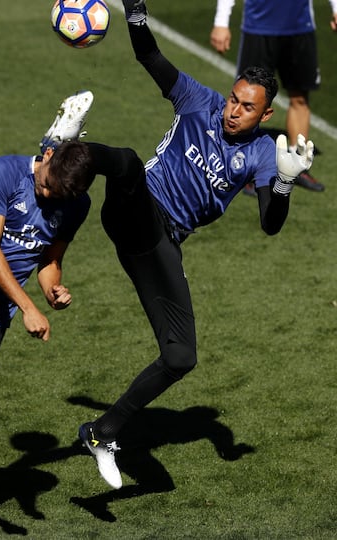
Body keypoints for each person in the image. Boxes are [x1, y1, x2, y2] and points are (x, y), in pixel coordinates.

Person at [70, 0, 314, 490]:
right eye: (233, 99)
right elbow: (152, 60)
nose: (233, 111)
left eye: (248, 107)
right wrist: (136, 18)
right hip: (136, 206)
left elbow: (270, 224)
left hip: (157, 245)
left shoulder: (265, 153)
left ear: (266, 113)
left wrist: (284, 185)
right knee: (128, 164)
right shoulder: (199, 101)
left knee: (181, 356)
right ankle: (67, 146)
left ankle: (101, 432)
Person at [0, 90, 96, 408]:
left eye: (54, 194)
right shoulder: (3, 172)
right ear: (46, 156)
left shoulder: (76, 205)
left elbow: (50, 257)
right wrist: (29, 308)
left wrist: (52, 290)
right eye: (44, 184)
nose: (45, 193)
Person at [210, 0, 337, 195]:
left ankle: (298, 166)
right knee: (249, 101)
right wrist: (221, 21)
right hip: (258, 28)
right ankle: (246, 171)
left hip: (300, 27)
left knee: (300, 97)